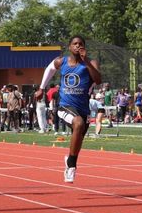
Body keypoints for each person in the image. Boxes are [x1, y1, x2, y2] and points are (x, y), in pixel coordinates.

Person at [35, 36, 101, 183]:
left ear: (84, 47)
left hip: (83, 107)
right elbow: (50, 68)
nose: (78, 46)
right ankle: (71, 166)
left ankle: (70, 160)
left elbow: (98, 80)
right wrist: (41, 88)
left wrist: (86, 63)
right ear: (70, 47)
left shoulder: (91, 63)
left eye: (80, 44)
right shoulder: (62, 61)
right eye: (74, 44)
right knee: (78, 123)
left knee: (78, 139)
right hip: (64, 105)